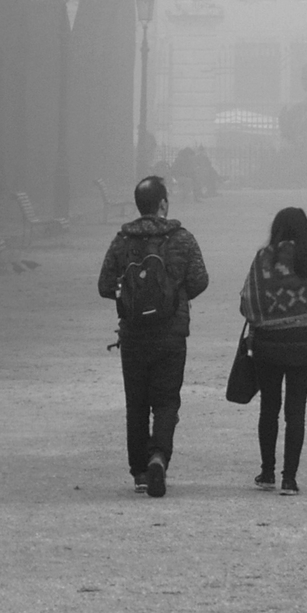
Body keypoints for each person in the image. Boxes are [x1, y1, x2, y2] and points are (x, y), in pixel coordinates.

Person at [98, 175, 209, 498]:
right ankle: (159, 455)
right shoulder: (182, 238)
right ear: (162, 204)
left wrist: (130, 296)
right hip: (171, 333)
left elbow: (105, 285)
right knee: (166, 400)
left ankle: (140, 473)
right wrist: (175, 294)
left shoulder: (122, 239)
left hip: (133, 335)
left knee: (136, 403)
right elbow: (200, 280)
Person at [238, 207, 307, 494]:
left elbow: (248, 302)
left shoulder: (264, 259)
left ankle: (267, 473)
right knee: (296, 411)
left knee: (269, 407)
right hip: (305, 344)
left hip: (268, 346)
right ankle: (289, 479)